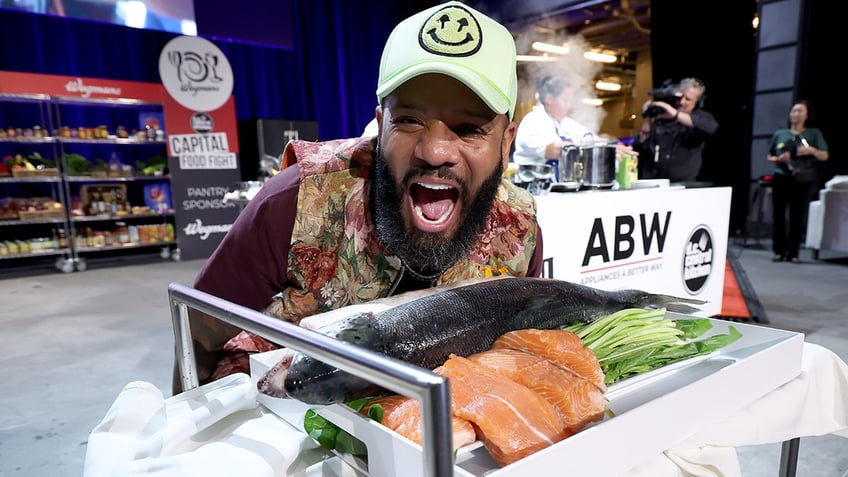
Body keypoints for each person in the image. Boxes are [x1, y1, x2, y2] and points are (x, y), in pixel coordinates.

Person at [174, 1, 545, 392]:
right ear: (381, 125)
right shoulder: (294, 202)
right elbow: (199, 330)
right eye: (408, 120)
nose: (435, 152)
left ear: (507, 143)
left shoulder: (520, 234)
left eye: (469, 128)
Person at [767, 100, 829, 263]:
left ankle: (793, 252)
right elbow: (770, 156)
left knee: (797, 214)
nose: (796, 114)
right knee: (779, 214)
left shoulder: (813, 133)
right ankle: (779, 251)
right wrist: (779, 158)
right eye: (794, 111)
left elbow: (824, 155)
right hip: (782, 176)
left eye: (800, 111)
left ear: (807, 115)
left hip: (802, 177)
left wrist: (812, 150)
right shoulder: (780, 134)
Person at [631, 77, 718, 182]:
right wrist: (647, 118)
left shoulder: (701, 118)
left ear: (698, 102)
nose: (681, 102)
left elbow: (711, 127)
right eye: (680, 97)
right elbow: (640, 144)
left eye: (688, 99)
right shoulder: (662, 118)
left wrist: (674, 113)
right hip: (655, 183)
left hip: (684, 185)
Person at [512, 75, 594, 167]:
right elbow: (553, 150)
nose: (569, 105)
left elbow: (588, 137)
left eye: (570, 101)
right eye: (565, 100)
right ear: (549, 99)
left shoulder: (566, 123)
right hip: (531, 178)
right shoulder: (533, 121)